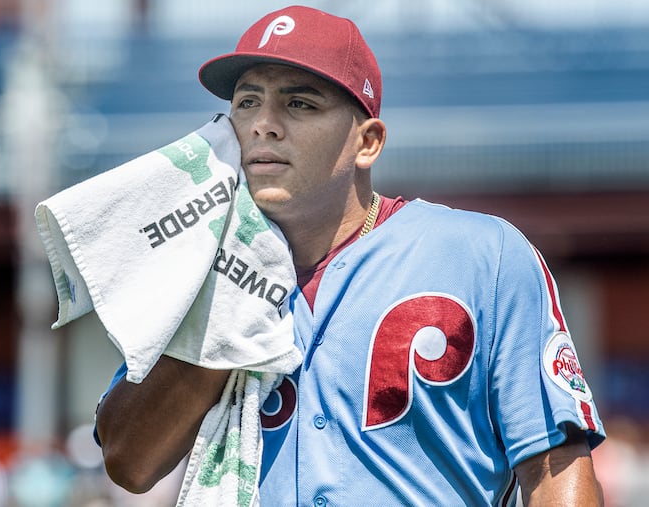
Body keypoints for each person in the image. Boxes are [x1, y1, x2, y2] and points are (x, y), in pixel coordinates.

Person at [95, 5, 606, 505]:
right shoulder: (202, 271)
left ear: (368, 142)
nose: (263, 125)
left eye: (300, 104)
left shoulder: (484, 254)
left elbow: (554, 467)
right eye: (247, 102)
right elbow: (129, 462)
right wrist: (227, 304)